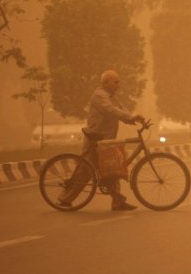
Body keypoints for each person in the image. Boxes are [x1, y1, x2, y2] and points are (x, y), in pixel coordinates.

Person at [58, 70, 144, 211]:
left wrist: (133, 118)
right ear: (106, 82)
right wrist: (130, 118)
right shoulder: (99, 95)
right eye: (115, 82)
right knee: (85, 171)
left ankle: (117, 201)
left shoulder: (112, 96)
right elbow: (111, 110)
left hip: (106, 141)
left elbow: (121, 109)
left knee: (113, 170)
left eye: (118, 82)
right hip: (95, 139)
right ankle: (65, 199)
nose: (118, 85)